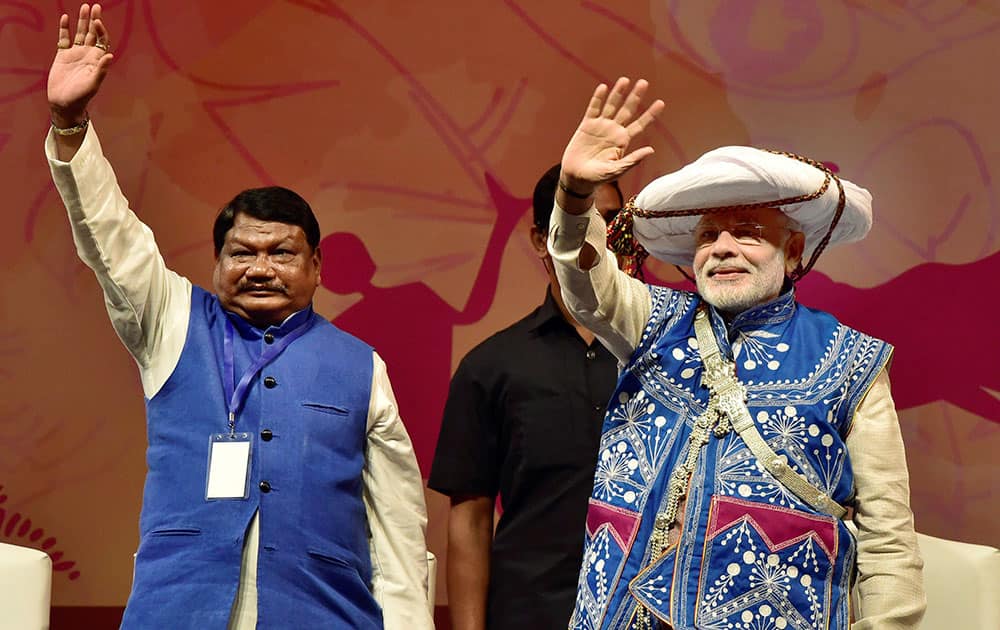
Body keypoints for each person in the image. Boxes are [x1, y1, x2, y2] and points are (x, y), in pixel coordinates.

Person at [44, 5, 432, 629]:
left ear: (316, 268)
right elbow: (110, 237)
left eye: (281, 253)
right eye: (241, 252)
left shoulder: (362, 367)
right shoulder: (169, 320)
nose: (259, 268)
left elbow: (400, 532)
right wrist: (69, 124)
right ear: (217, 260)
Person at [548, 77, 925, 629]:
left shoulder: (851, 361)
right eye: (707, 236)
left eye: (747, 233)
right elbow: (585, 284)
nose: (722, 248)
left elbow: (888, 539)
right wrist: (574, 195)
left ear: (792, 251)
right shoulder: (652, 322)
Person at [427, 165, 623, 630]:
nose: (598, 237)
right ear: (540, 240)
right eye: (576, 222)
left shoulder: (675, 356)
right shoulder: (490, 367)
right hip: (530, 613)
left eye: (612, 222)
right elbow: (470, 522)